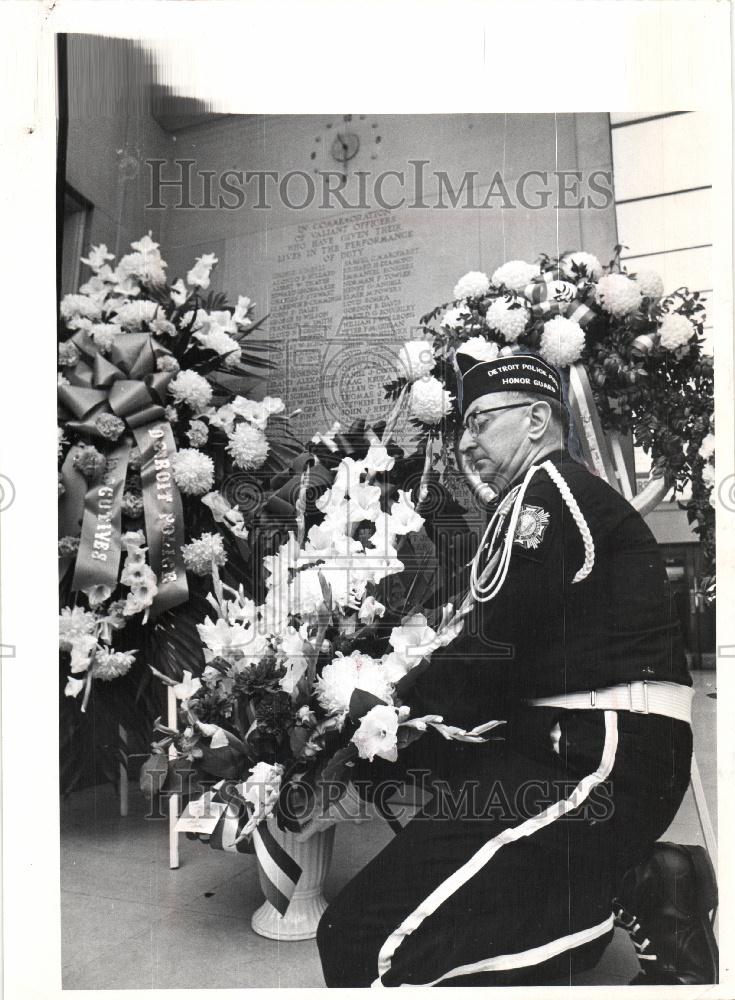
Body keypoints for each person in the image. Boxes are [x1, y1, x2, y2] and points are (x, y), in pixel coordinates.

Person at [316, 351, 717, 988]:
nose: (465, 441)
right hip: (562, 746)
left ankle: (613, 889)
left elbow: (491, 653)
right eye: (463, 428)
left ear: (535, 419)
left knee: (366, 943)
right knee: (385, 908)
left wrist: (374, 719)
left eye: (479, 422)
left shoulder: (546, 495)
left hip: (603, 757)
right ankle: (631, 883)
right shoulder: (533, 498)